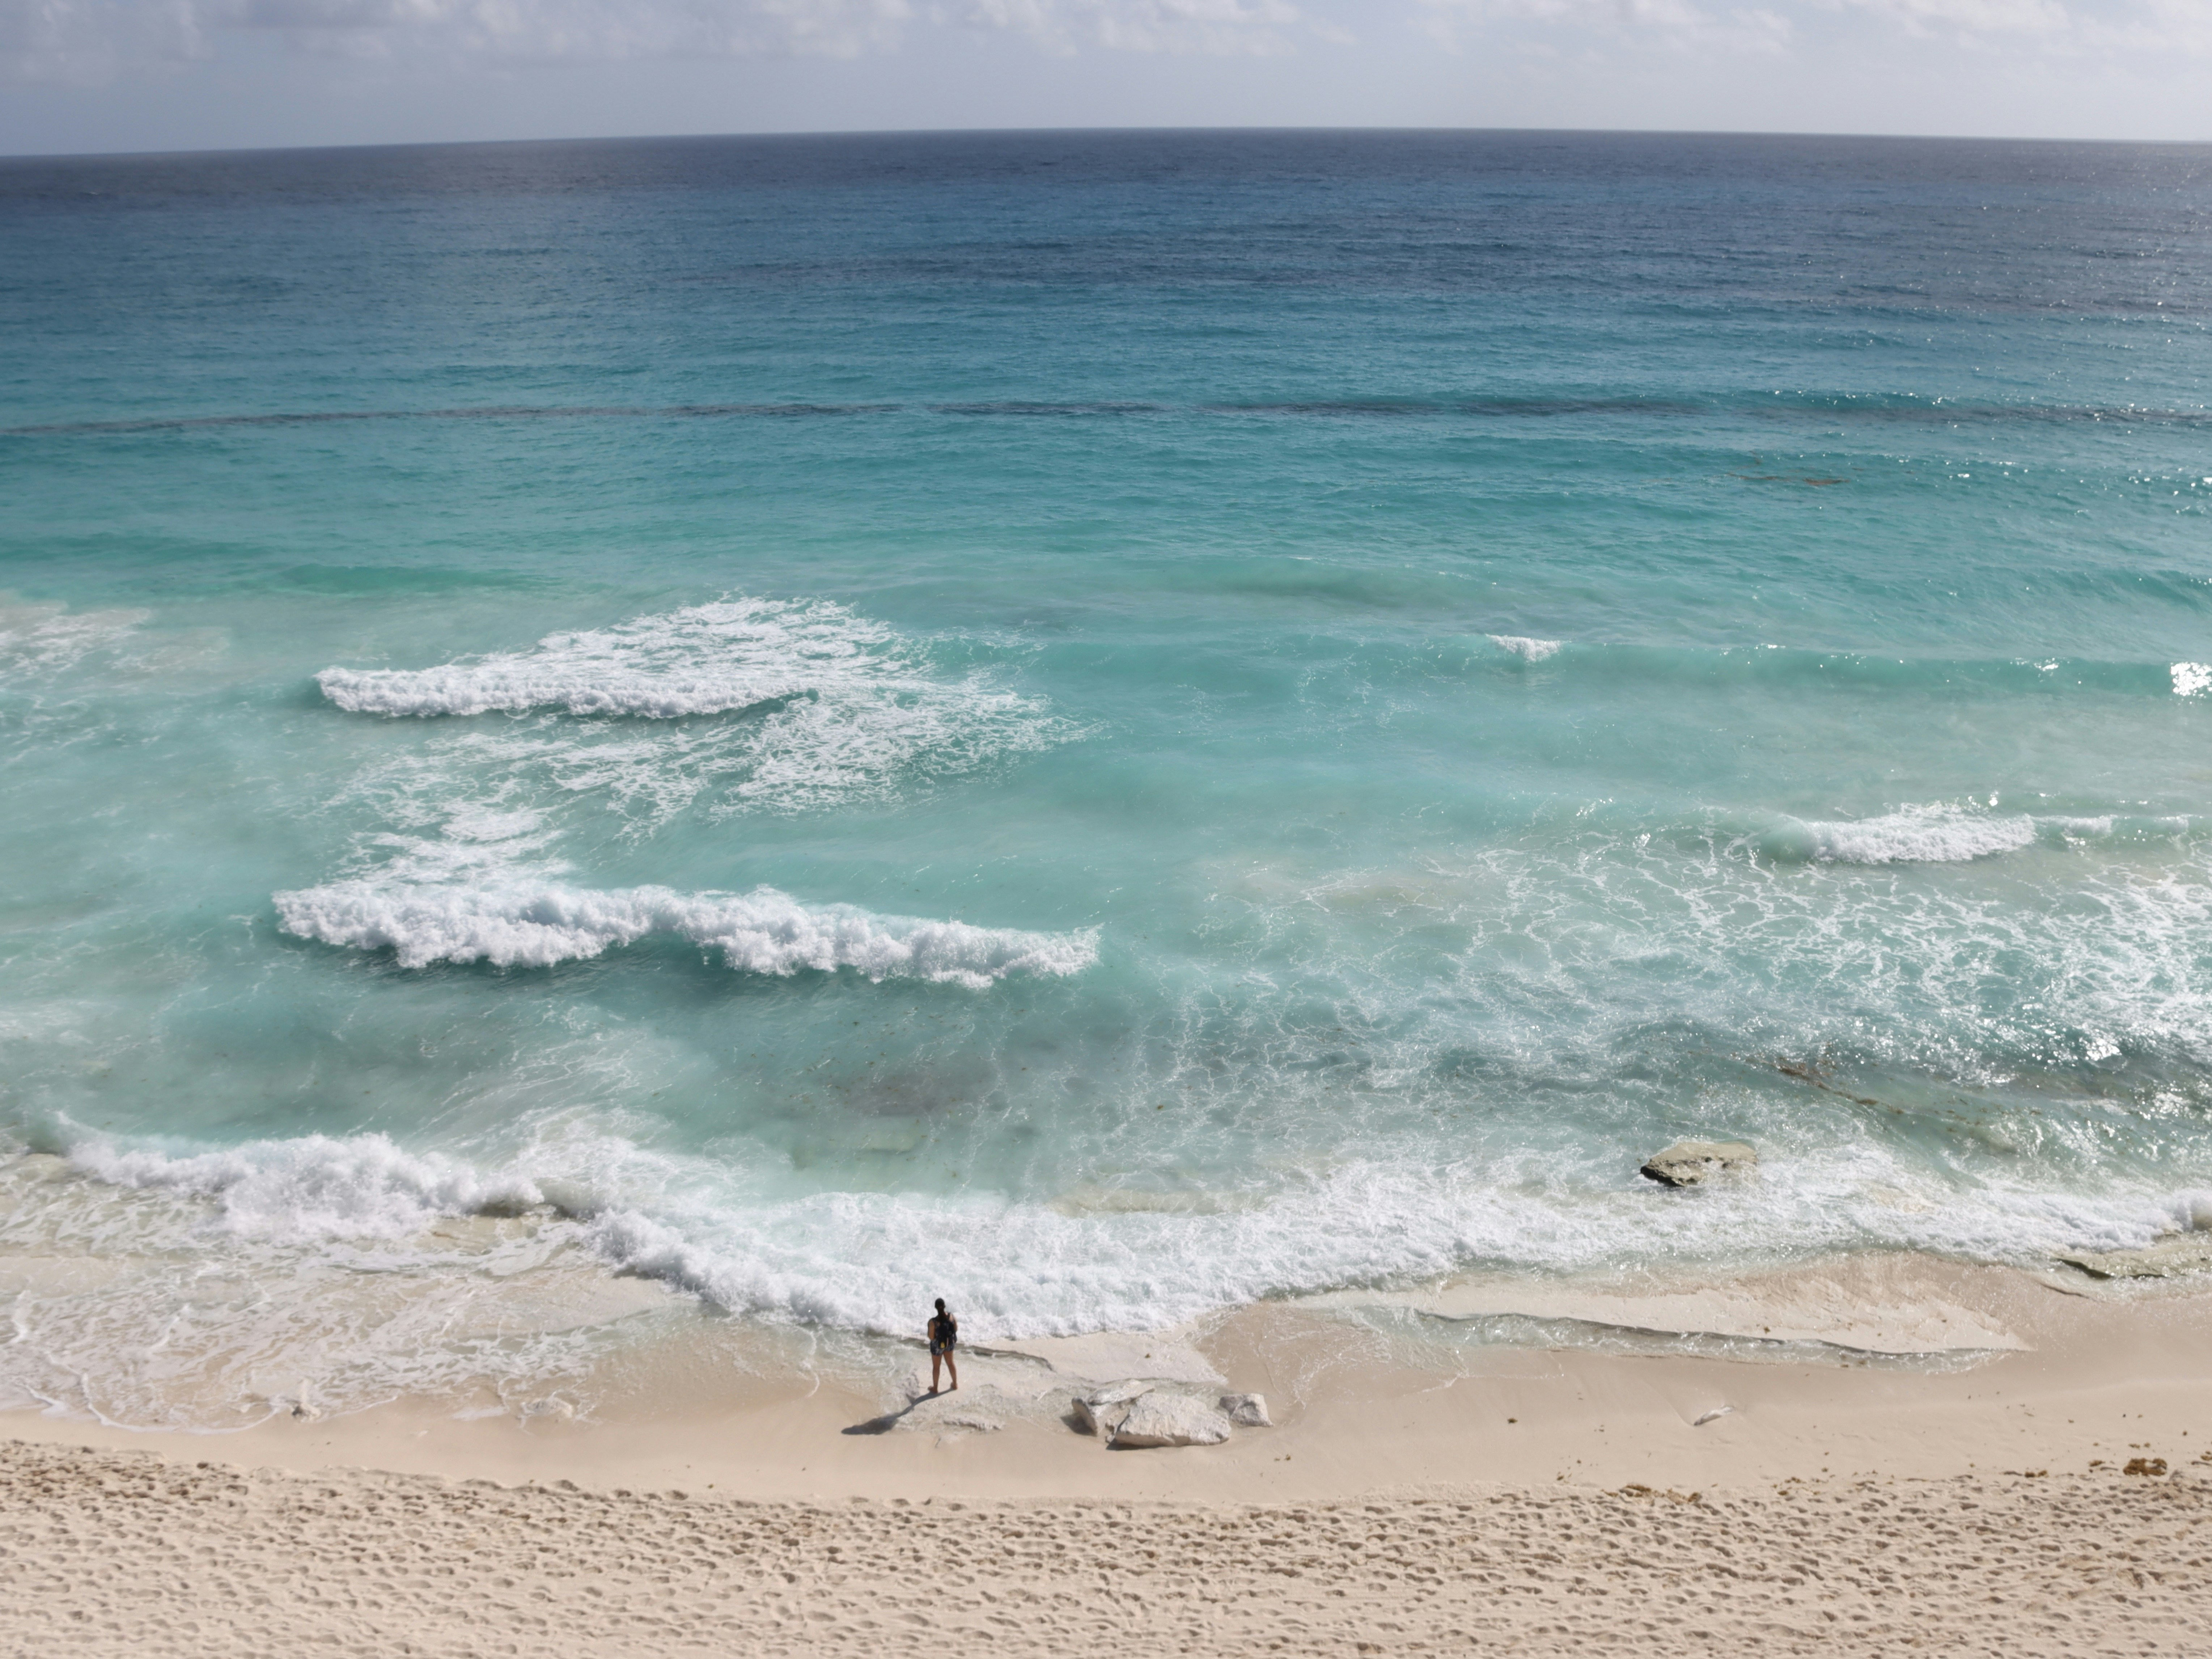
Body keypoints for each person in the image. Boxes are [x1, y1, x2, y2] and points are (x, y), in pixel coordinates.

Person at [926, 1298, 959, 1394]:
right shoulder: (952, 1317)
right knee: (951, 1364)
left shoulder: (933, 1322)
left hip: (938, 1346)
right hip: (949, 1343)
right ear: (945, 1306)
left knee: (936, 1367)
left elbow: (932, 1337)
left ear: (936, 1308)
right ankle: (955, 1384)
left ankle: (935, 1388)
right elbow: (956, 1329)